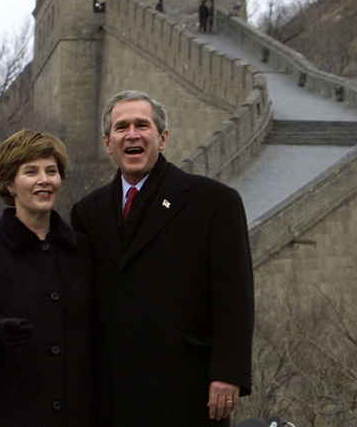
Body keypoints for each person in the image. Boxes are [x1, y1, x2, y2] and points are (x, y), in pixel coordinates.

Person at [71, 90, 254, 425]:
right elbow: (59, 261)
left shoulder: (213, 203)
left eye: (142, 125)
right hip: (113, 391)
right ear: (108, 143)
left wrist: (228, 372)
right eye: (121, 127)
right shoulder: (88, 212)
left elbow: (234, 295)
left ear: (163, 137)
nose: (132, 134)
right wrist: (2, 233)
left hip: (186, 387)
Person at [0, 130, 94, 427]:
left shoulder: (82, 251)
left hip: (75, 415)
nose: (44, 180)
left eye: (51, 171)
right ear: (9, 183)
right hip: (6, 413)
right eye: (31, 171)